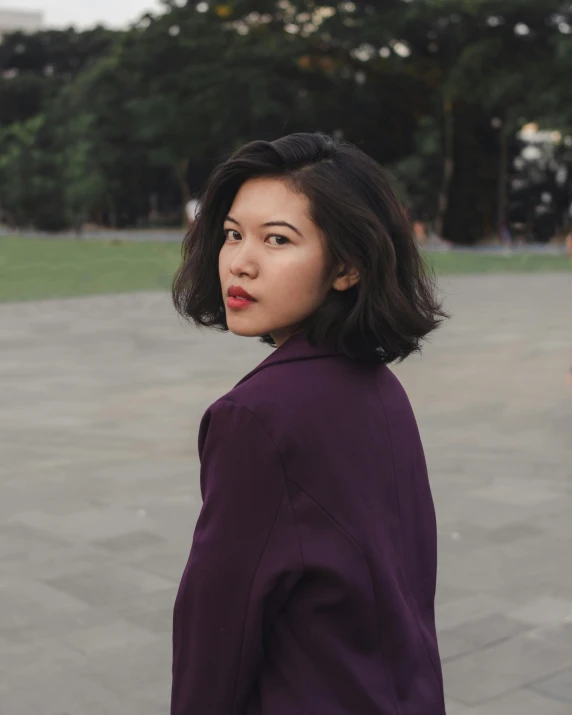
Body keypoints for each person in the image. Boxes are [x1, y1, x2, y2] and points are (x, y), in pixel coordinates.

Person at [170, 133, 448, 715]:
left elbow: (217, 631)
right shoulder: (377, 385)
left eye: (277, 239)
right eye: (232, 234)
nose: (240, 261)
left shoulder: (255, 417)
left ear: (347, 266)